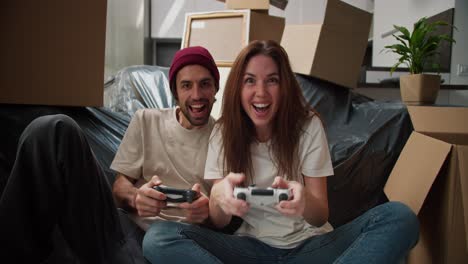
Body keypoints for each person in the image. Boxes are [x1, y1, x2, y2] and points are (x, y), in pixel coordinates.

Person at [142, 40, 420, 264]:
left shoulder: (308, 126)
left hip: (311, 247)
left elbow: (320, 214)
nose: (261, 92)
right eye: (250, 81)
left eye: (271, 80)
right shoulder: (224, 131)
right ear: (238, 89)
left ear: (284, 85)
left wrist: (304, 201)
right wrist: (220, 195)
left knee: (399, 217)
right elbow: (218, 219)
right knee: (159, 238)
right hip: (248, 249)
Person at [0, 45, 220, 263]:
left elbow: (230, 218)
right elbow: (119, 187)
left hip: (176, 246)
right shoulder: (146, 120)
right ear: (175, 91)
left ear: (216, 88)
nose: (196, 95)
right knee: (53, 128)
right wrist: (136, 197)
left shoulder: (226, 137)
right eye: (186, 86)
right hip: (124, 234)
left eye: (205, 84)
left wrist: (207, 214)